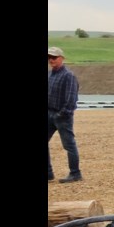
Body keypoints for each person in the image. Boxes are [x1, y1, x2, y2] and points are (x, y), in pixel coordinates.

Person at [48, 46, 82, 183]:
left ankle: (75, 173)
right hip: (49, 113)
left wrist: (62, 114)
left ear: (62, 58)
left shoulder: (68, 75)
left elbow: (71, 99)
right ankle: (49, 173)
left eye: (54, 57)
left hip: (62, 117)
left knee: (69, 145)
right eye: (49, 57)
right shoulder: (50, 74)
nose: (51, 60)